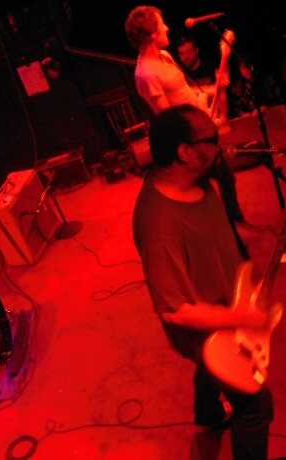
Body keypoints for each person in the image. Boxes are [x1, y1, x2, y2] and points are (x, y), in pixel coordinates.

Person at [133, 104, 274, 460]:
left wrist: (255, 246)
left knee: (209, 373)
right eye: (211, 139)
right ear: (185, 152)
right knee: (255, 404)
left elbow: (215, 235)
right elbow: (176, 311)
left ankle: (208, 416)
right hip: (204, 330)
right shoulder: (159, 224)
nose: (221, 142)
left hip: (229, 306)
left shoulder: (201, 185)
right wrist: (243, 318)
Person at [125, 5, 245, 225]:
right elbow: (170, 120)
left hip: (199, 126)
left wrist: (211, 92)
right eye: (162, 25)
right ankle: (231, 229)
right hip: (190, 141)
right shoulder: (146, 74)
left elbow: (184, 91)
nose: (167, 28)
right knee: (210, 187)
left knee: (223, 178)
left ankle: (232, 226)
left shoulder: (164, 56)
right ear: (152, 35)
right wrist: (198, 136)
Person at [176, 35, 229, 123]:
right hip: (196, 121)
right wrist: (211, 89)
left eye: (188, 52)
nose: (185, 57)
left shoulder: (211, 67)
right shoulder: (180, 74)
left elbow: (222, 95)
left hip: (217, 118)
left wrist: (223, 117)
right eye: (181, 53)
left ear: (196, 50)